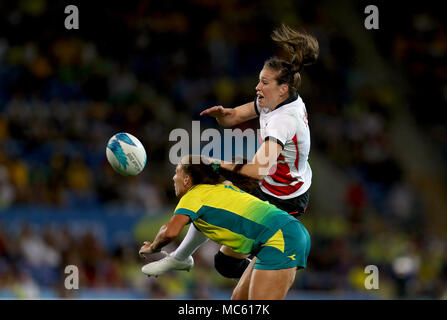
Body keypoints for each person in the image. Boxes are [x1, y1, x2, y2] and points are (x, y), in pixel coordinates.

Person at [142, 24, 318, 279]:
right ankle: (181, 257)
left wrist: (216, 163)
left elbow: (257, 171)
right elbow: (236, 116)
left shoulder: (283, 120)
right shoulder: (275, 100)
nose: (257, 87)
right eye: (259, 79)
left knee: (225, 264)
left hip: (283, 196)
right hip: (271, 181)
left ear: (282, 89)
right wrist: (224, 115)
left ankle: (266, 267)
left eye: (264, 82)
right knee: (210, 189)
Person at [139, 155, 311, 300]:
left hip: (282, 238)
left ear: (187, 179)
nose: (173, 178)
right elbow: (198, 231)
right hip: (277, 238)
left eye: (176, 172)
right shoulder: (220, 189)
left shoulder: (193, 196)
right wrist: (178, 257)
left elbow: (170, 232)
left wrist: (153, 247)